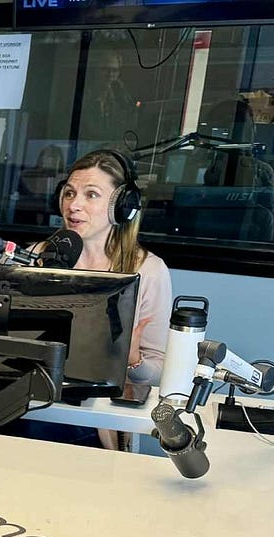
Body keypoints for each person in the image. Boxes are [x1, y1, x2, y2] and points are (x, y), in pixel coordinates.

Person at [54, 149, 173, 448]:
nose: (74, 205)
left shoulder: (148, 270)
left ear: (122, 206)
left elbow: (159, 371)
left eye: (91, 194)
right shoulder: (36, 258)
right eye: (70, 193)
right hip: (23, 399)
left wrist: (134, 361)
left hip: (89, 421)